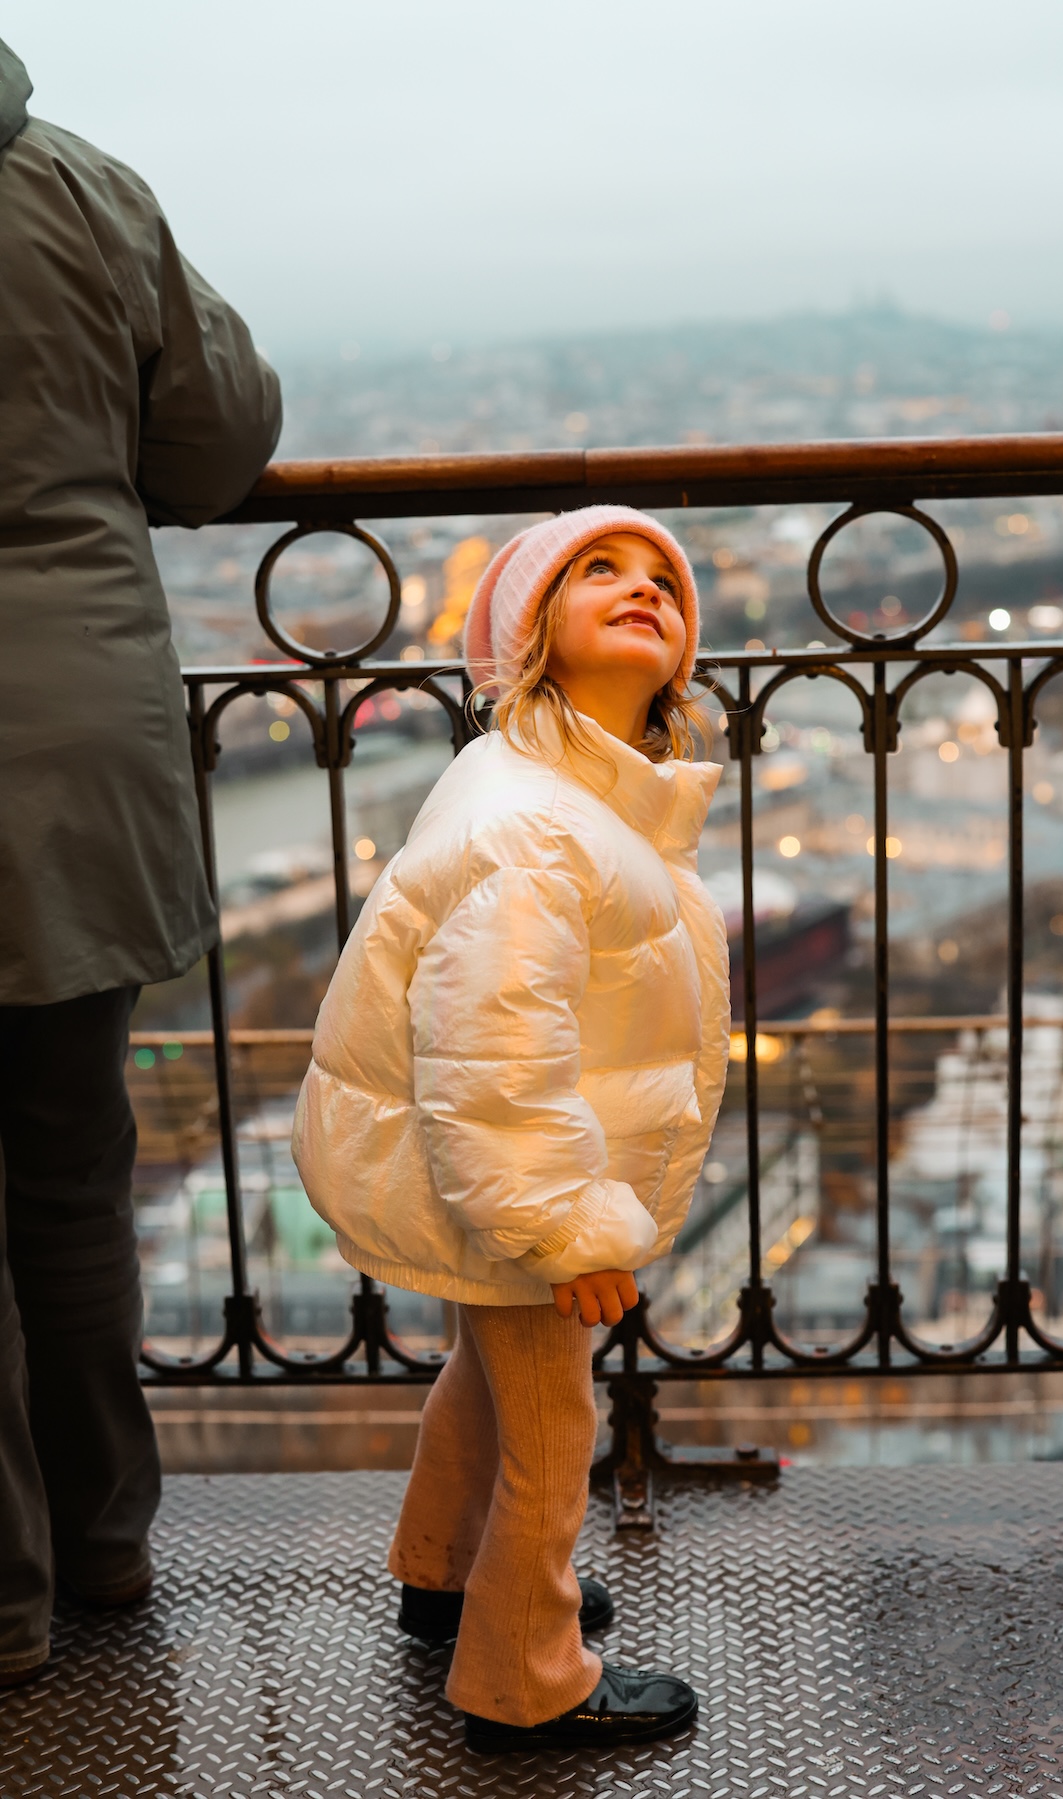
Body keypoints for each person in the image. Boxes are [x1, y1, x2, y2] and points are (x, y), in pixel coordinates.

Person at [293, 504, 730, 1752]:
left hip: (459, 1164)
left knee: (484, 1385)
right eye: (599, 570)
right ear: (530, 633)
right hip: (508, 1176)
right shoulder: (541, 827)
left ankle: (443, 1573)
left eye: (664, 579)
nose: (644, 586)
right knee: (552, 1426)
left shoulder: (542, 785)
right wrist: (570, 1229)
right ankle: (523, 1675)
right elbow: (496, 1061)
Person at [0, 39, 281, 1688]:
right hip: (71, 740)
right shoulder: (79, 186)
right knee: (68, 1166)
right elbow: (218, 438)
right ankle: (106, 1536)